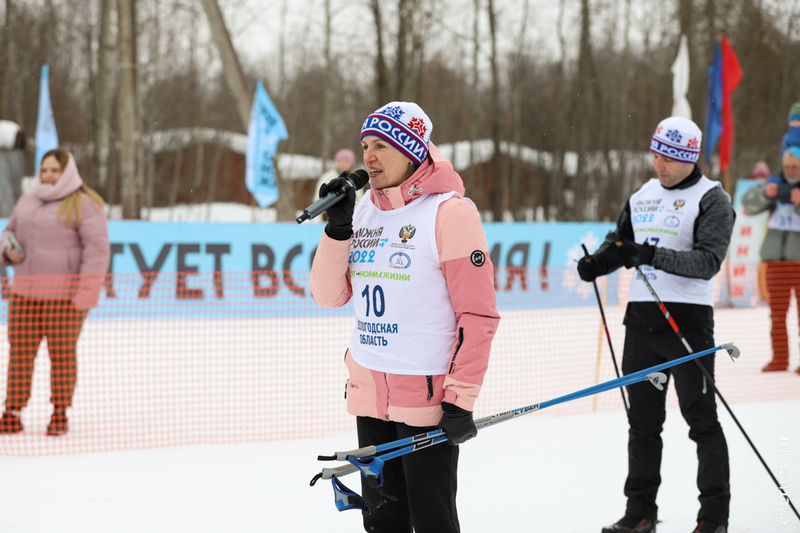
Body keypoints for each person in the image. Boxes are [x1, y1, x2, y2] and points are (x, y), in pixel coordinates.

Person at [309, 101, 499, 533]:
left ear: (413, 149)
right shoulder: (363, 211)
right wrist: (337, 231)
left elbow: (478, 314)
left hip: (426, 399)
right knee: (382, 521)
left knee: (433, 521)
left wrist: (461, 397)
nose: (369, 156)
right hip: (370, 392)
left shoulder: (449, 213)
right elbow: (327, 295)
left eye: (382, 145)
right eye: (365, 145)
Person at [577, 117, 734, 533]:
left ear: (689, 159)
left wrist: (649, 255)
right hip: (642, 322)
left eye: (668, 157)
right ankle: (640, 511)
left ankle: (714, 516)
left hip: (687, 322)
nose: (658, 163)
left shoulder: (712, 199)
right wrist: (597, 262)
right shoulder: (643, 194)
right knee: (643, 424)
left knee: (701, 421)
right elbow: (619, 243)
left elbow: (707, 262)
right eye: (656, 153)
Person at [0, 148, 110, 436]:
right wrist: (7, 251)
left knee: (62, 354)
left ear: (67, 172)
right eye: (44, 169)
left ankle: (59, 412)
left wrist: (85, 295)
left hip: (64, 299)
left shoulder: (85, 204)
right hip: (24, 295)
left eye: (54, 170)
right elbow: (9, 232)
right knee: (20, 353)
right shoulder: (27, 200)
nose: (47, 175)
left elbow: (97, 251)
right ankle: (12, 411)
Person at [742, 146, 800, 374]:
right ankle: (779, 358)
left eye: (795, 167)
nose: (790, 171)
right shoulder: (774, 183)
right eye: (787, 167)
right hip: (775, 261)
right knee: (777, 314)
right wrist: (766, 194)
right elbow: (748, 204)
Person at [314, 148, 364, 221]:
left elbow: (360, 200)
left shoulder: (355, 179)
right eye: (340, 161)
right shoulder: (327, 177)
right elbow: (318, 198)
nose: (343, 164)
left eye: (346, 161)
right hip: (328, 217)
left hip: (350, 217)